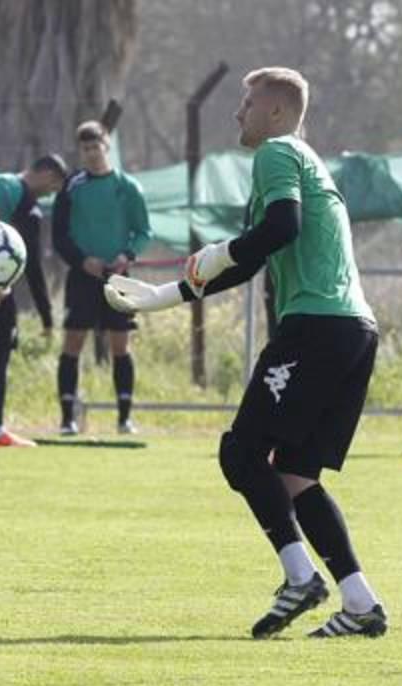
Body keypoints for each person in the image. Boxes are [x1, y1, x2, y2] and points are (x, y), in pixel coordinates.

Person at [105, 67, 385, 639]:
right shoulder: (303, 161)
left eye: (248, 102)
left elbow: (281, 227)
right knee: (296, 477)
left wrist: (222, 250)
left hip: (316, 329)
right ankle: (361, 604)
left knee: (241, 453)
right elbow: (253, 258)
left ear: (277, 112)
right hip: (354, 331)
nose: (238, 113)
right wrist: (164, 295)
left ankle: (301, 578)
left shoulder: (277, 152)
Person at [0, 155, 68, 447]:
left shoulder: (0, 184)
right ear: (47, 174)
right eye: (53, 188)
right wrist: (45, 314)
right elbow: (28, 261)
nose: (49, 195)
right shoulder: (19, 197)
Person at [52, 121, 152, 436]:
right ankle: (67, 419)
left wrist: (127, 255)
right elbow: (59, 236)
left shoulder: (128, 186)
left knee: (120, 345)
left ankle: (124, 419)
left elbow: (144, 232)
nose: (92, 153)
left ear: (107, 146)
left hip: (119, 279)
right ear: (80, 151)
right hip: (82, 277)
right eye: (86, 148)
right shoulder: (71, 187)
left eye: (96, 147)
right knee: (73, 342)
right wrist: (83, 261)